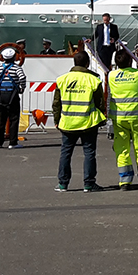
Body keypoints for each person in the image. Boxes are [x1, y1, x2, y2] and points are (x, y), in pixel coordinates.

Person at [52, 52, 106, 192]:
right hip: (88, 122)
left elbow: (56, 103)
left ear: (74, 62)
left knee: (66, 152)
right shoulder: (94, 80)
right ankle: (89, 184)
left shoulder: (62, 79)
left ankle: (63, 184)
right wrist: (101, 119)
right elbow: (100, 103)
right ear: (87, 63)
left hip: (67, 123)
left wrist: (57, 120)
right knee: (89, 152)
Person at [107, 49, 138, 190]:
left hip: (119, 118)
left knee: (122, 149)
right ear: (130, 61)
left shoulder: (111, 75)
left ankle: (125, 181)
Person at [0, 47, 26, 149]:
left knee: (0, 121)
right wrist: (22, 88)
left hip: (1, 96)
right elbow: (22, 78)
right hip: (13, 96)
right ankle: (13, 143)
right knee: (14, 119)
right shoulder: (17, 68)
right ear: (14, 57)